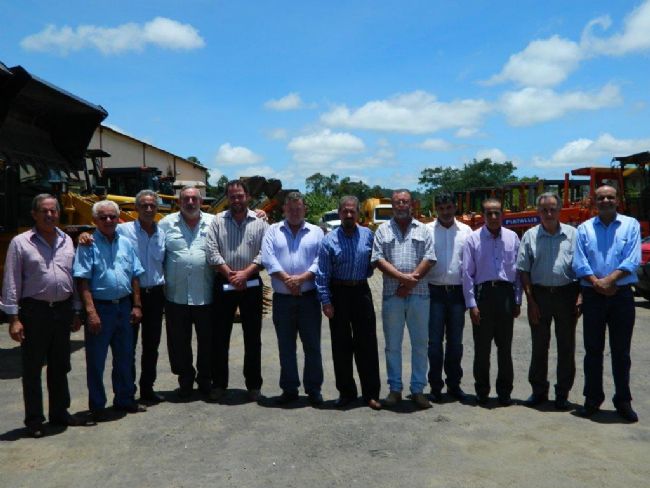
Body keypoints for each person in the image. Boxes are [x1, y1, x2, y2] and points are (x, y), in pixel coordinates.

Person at [1, 194, 83, 437]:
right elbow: (11, 281)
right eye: (44, 211)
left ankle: (60, 412)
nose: (49, 215)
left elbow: (73, 277)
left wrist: (76, 310)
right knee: (33, 367)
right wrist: (13, 319)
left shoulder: (67, 240)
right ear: (34, 214)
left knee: (60, 365)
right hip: (34, 312)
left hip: (62, 310)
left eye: (53, 211)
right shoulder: (21, 242)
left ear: (59, 213)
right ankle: (35, 420)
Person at [572, 185, 641, 422]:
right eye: (601, 198)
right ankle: (592, 399)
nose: (605, 201)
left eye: (610, 197)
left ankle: (623, 401)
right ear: (594, 202)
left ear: (617, 200)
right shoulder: (584, 229)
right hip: (593, 295)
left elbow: (633, 259)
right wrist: (597, 283)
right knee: (593, 351)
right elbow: (579, 262)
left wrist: (610, 281)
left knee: (621, 352)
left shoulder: (631, 225)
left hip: (621, 295)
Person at [73, 200, 145, 421]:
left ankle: (125, 399)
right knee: (96, 361)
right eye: (103, 217)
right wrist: (91, 312)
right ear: (95, 220)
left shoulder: (126, 243)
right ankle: (97, 406)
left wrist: (136, 305)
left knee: (125, 357)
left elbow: (135, 275)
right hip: (101, 309)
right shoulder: (88, 244)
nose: (108, 220)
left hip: (124, 306)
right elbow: (83, 281)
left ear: (118, 218)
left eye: (112, 216)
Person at [316, 195, 382, 410]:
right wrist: (326, 301)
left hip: (361, 292)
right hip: (339, 293)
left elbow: (373, 263)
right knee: (341, 345)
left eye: (352, 210)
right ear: (339, 212)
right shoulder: (329, 240)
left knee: (367, 344)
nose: (349, 214)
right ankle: (346, 393)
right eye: (345, 211)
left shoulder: (368, 235)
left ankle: (371, 394)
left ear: (358, 213)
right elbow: (322, 274)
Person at [371, 189, 435, 409]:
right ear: (393, 205)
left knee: (420, 344)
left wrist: (410, 282)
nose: (401, 205)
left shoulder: (424, 229)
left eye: (405, 202)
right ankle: (395, 389)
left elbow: (430, 258)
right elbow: (378, 259)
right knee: (392, 346)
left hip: (419, 295)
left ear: (412, 204)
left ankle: (418, 390)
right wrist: (402, 279)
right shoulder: (382, 230)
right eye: (397, 202)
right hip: (392, 296)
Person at [206, 180, 269, 402]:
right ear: (227, 198)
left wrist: (245, 274)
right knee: (219, 336)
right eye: (232, 196)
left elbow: (265, 253)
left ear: (248, 197)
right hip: (224, 283)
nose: (236, 200)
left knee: (253, 337)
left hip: (251, 284)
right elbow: (211, 251)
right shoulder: (217, 221)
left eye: (240, 196)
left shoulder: (260, 223)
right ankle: (218, 384)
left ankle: (254, 385)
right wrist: (231, 275)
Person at [517, 192, 580, 410]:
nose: (549, 213)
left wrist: (580, 296)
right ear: (538, 212)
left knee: (566, 346)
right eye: (544, 210)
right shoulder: (530, 236)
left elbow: (582, 267)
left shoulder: (573, 235)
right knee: (539, 345)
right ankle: (538, 391)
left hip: (567, 295)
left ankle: (562, 393)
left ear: (560, 210)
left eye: (553, 209)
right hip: (540, 296)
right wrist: (531, 301)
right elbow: (524, 271)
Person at [262, 192, 324, 406]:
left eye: (298, 208)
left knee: (312, 346)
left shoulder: (317, 232)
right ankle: (289, 389)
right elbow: (268, 258)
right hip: (283, 299)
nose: (295, 212)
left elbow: (320, 260)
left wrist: (302, 279)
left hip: (309, 298)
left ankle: (314, 389)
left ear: (305, 209)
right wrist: (288, 280)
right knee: (286, 346)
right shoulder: (272, 231)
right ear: (284, 210)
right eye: (291, 208)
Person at [462, 198, 521, 407]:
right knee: (482, 349)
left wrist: (517, 300)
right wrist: (472, 304)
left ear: (502, 214)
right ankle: (482, 391)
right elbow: (467, 274)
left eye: (497, 213)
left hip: (505, 295)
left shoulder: (513, 238)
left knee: (505, 348)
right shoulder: (473, 239)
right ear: (483, 215)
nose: (494, 217)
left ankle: (504, 393)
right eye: (489, 213)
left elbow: (518, 273)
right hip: (484, 296)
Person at [158, 186, 215, 400]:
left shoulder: (214, 222)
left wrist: (260, 213)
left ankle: (205, 379)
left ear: (201, 201)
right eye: (186, 199)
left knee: (207, 341)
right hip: (176, 295)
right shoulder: (166, 224)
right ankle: (185, 380)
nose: (190, 203)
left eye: (194, 199)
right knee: (178, 342)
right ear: (179, 202)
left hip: (206, 294)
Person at [425, 192, 472, 403]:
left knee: (455, 343)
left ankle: (454, 385)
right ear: (436, 209)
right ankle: (435, 386)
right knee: (434, 343)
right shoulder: (426, 230)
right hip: (433, 292)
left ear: (455, 207)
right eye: (441, 208)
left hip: (457, 294)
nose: (445, 212)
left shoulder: (466, 231)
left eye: (449, 207)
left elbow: (470, 264)